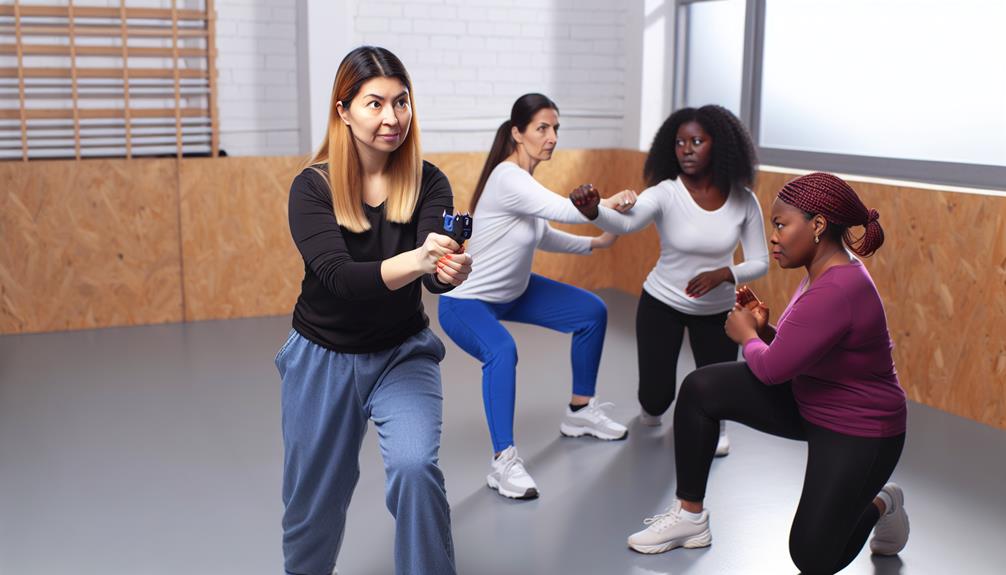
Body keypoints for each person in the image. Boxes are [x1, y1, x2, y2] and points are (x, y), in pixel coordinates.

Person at [625, 172, 910, 575]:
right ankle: (690, 518)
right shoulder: (824, 269)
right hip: (810, 399)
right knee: (700, 389)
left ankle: (882, 501)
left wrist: (745, 337)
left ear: (817, 225)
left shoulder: (839, 287)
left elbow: (773, 371)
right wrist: (764, 331)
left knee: (812, 557)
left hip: (860, 427)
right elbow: (801, 351)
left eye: (780, 225)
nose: (772, 237)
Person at [275, 46, 472, 575]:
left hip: (400, 354)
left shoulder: (429, 181)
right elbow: (340, 279)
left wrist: (448, 271)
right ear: (343, 111)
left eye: (401, 102)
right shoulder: (311, 188)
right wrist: (421, 258)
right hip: (321, 358)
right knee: (312, 507)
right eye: (375, 103)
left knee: (415, 468)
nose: (392, 117)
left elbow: (433, 275)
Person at [437, 93, 630, 500]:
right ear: (517, 133)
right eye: (542, 127)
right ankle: (503, 462)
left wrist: (596, 244)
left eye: (556, 128)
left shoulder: (525, 183)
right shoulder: (508, 178)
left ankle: (580, 411)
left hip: (515, 293)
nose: (552, 136)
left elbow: (544, 234)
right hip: (466, 302)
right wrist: (609, 205)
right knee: (501, 350)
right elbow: (566, 210)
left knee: (591, 312)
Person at [570, 105, 768, 456]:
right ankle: (652, 406)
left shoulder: (743, 200)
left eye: (696, 141)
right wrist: (594, 211)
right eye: (679, 142)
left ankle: (717, 426)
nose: (686, 149)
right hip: (662, 304)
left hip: (718, 311)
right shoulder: (665, 192)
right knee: (656, 399)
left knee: (717, 386)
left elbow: (760, 262)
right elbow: (627, 224)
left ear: (719, 145)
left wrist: (725, 274)